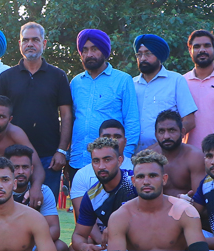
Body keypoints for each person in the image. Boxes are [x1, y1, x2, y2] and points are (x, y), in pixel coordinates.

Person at [0, 22, 73, 196]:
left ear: (44, 43)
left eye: (35, 40)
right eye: (26, 40)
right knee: (10, 209)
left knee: (45, 207)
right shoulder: (6, 77)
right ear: (20, 44)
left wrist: (62, 151)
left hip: (49, 158)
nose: (30, 44)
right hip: (12, 157)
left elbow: (66, 115)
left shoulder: (58, 76)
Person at [64, 135, 136, 251]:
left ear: (120, 160)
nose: (101, 166)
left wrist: (118, 227)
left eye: (107, 160)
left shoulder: (134, 183)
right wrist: (84, 247)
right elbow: (78, 235)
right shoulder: (92, 195)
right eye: (96, 161)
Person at [68, 28, 140, 178]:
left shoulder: (122, 80)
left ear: (104, 51)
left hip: (110, 164)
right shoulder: (76, 82)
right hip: (78, 162)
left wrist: (124, 158)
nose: (89, 54)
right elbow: (71, 121)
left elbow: (132, 121)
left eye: (94, 49)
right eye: (85, 50)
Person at [0, 144, 67, 251]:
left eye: (25, 167)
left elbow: (54, 228)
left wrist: (27, 244)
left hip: (33, 244)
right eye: (16, 167)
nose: (21, 172)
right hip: (0, 246)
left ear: (32, 169)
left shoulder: (43, 191)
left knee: (59, 247)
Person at [133, 34, 197, 150]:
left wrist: (164, 142)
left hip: (166, 153)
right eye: (139, 54)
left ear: (159, 55)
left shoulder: (176, 81)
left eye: (148, 53)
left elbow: (189, 121)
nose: (142, 58)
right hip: (134, 154)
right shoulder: (132, 84)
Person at [69, 119, 132, 219]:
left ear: (125, 142)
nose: (112, 140)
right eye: (107, 137)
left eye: (117, 137)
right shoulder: (82, 175)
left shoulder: (137, 170)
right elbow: (84, 219)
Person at [145, 110, 205, 197]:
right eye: (161, 131)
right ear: (156, 134)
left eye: (172, 130)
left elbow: (200, 199)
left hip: (188, 205)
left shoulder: (195, 157)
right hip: (157, 205)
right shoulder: (149, 156)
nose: (166, 136)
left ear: (182, 132)